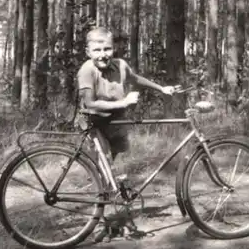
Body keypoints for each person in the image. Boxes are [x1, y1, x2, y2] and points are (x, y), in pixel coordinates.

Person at [75, 27, 176, 184]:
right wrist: (124, 102)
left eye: (107, 49)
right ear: (88, 52)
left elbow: (135, 79)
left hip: (115, 118)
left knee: (120, 147)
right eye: (97, 50)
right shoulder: (87, 71)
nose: (103, 55)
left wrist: (161, 88)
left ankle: (102, 178)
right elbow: (90, 104)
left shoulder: (120, 65)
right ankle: (102, 189)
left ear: (113, 49)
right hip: (92, 119)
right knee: (104, 156)